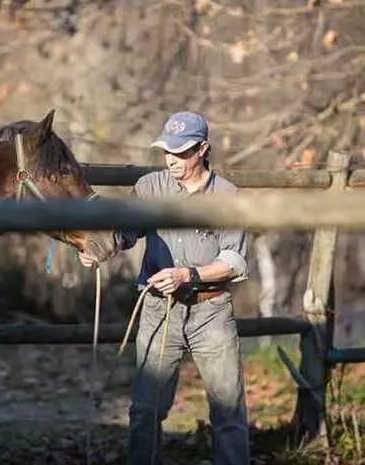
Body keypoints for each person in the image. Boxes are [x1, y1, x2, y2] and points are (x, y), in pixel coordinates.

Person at [78, 111, 250, 465]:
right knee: (145, 410)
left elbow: (234, 261)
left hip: (212, 312)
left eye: (181, 152)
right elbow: (126, 233)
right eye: (167, 151)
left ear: (203, 149)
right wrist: (98, 249)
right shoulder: (148, 188)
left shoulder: (228, 196)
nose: (171, 159)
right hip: (159, 310)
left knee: (228, 411)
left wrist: (188, 275)